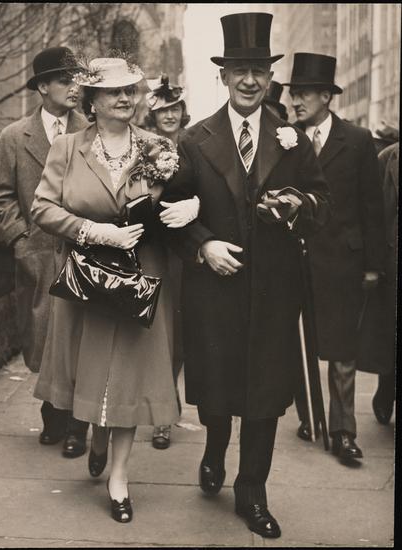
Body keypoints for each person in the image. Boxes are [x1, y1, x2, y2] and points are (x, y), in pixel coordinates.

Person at [160, 13, 331, 538]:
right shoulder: (194, 139)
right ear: (224, 76)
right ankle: (214, 448)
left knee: (264, 396)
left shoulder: (292, 139)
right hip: (214, 289)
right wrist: (203, 245)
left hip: (274, 291)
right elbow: (169, 212)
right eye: (240, 71)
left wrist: (297, 204)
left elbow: (321, 201)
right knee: (217, 392)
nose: (250, 81)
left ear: (270, 75)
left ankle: (251, 490)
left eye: (258, 70)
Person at [31, 57, 200, 523]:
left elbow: (186, 193)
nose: (125, 97)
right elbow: (42, 208)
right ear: (92, 100)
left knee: (131, 377)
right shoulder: (68, 147)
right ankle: (98, 435)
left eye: (130, 90)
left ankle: (119, 477)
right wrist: (93, 231)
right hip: (88, 276)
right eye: (113, 91)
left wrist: (192, 206)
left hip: (141, 278)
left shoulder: (158, 147)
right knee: (90, 369)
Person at [284, 53, 386, 463]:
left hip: (344, 262)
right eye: (293, 93)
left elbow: (372, 207)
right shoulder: (285, 138)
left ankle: (344, 432)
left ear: (326, 96)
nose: (296, 101)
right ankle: (310, 417)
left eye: (304, 93)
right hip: (296, 262)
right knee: (299, 344)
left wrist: (373, 265)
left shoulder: (357, 140)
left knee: (342, 350)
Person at [0, 47, 90, 458]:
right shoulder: (15, 136)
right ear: (43, 87)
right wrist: (20, 240)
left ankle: (78, 425)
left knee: (82, 336)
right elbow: (1, 196)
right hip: (40, 253)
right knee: (45, 336)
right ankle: (53, 413)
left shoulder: (91, 131)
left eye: (76, 80)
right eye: (65, 80)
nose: (74, 88)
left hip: (84, 250)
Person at [144, 75, 192, 450]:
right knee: (156, 332)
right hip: (152, 247)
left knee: (180, 333)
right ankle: (159, 412)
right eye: (162, 110)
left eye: (174, 108)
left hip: (186, 249)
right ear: (153, 115)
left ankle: (169, 404)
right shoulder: (144, 148)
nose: (170, 115)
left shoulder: (195, 145)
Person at [356, 142, 398, 424]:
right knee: (390, 334)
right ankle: (387, 386)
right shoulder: (388, 157)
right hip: (392, 262)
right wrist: (373, 263)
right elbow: (373, 214)